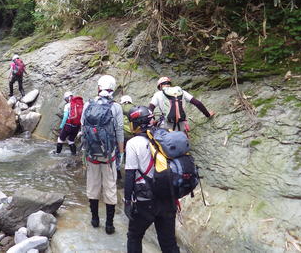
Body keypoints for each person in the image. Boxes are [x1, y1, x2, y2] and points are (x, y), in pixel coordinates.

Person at [124, 105, 180, 253]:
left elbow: (130, 175)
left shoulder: (133, 143)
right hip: (168, 197)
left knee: (134, 236)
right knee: (169, 243)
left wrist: (128, 201)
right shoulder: (165, 135)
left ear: (135, 123)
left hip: (145, 200)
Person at [81, 75, 124, 234]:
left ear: (98, 88)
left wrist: (85, 152)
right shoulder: (116, 107)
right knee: (110, 188)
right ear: (112, 88)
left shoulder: (87, 105)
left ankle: (94, 219)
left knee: (93, 186)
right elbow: (119, 131)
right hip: (109, 156)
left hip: (92, 155)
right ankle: (109, 225)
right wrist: (121, 152)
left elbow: (83, 129)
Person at [149, 76, 215, 133]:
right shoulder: (181, 92)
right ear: (170, 84)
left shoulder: (158, 94)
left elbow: (150, 109)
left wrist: (152, 120)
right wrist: (208, 115)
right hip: (181, 125)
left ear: (160, 86)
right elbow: (197, 103)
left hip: (166, 126)